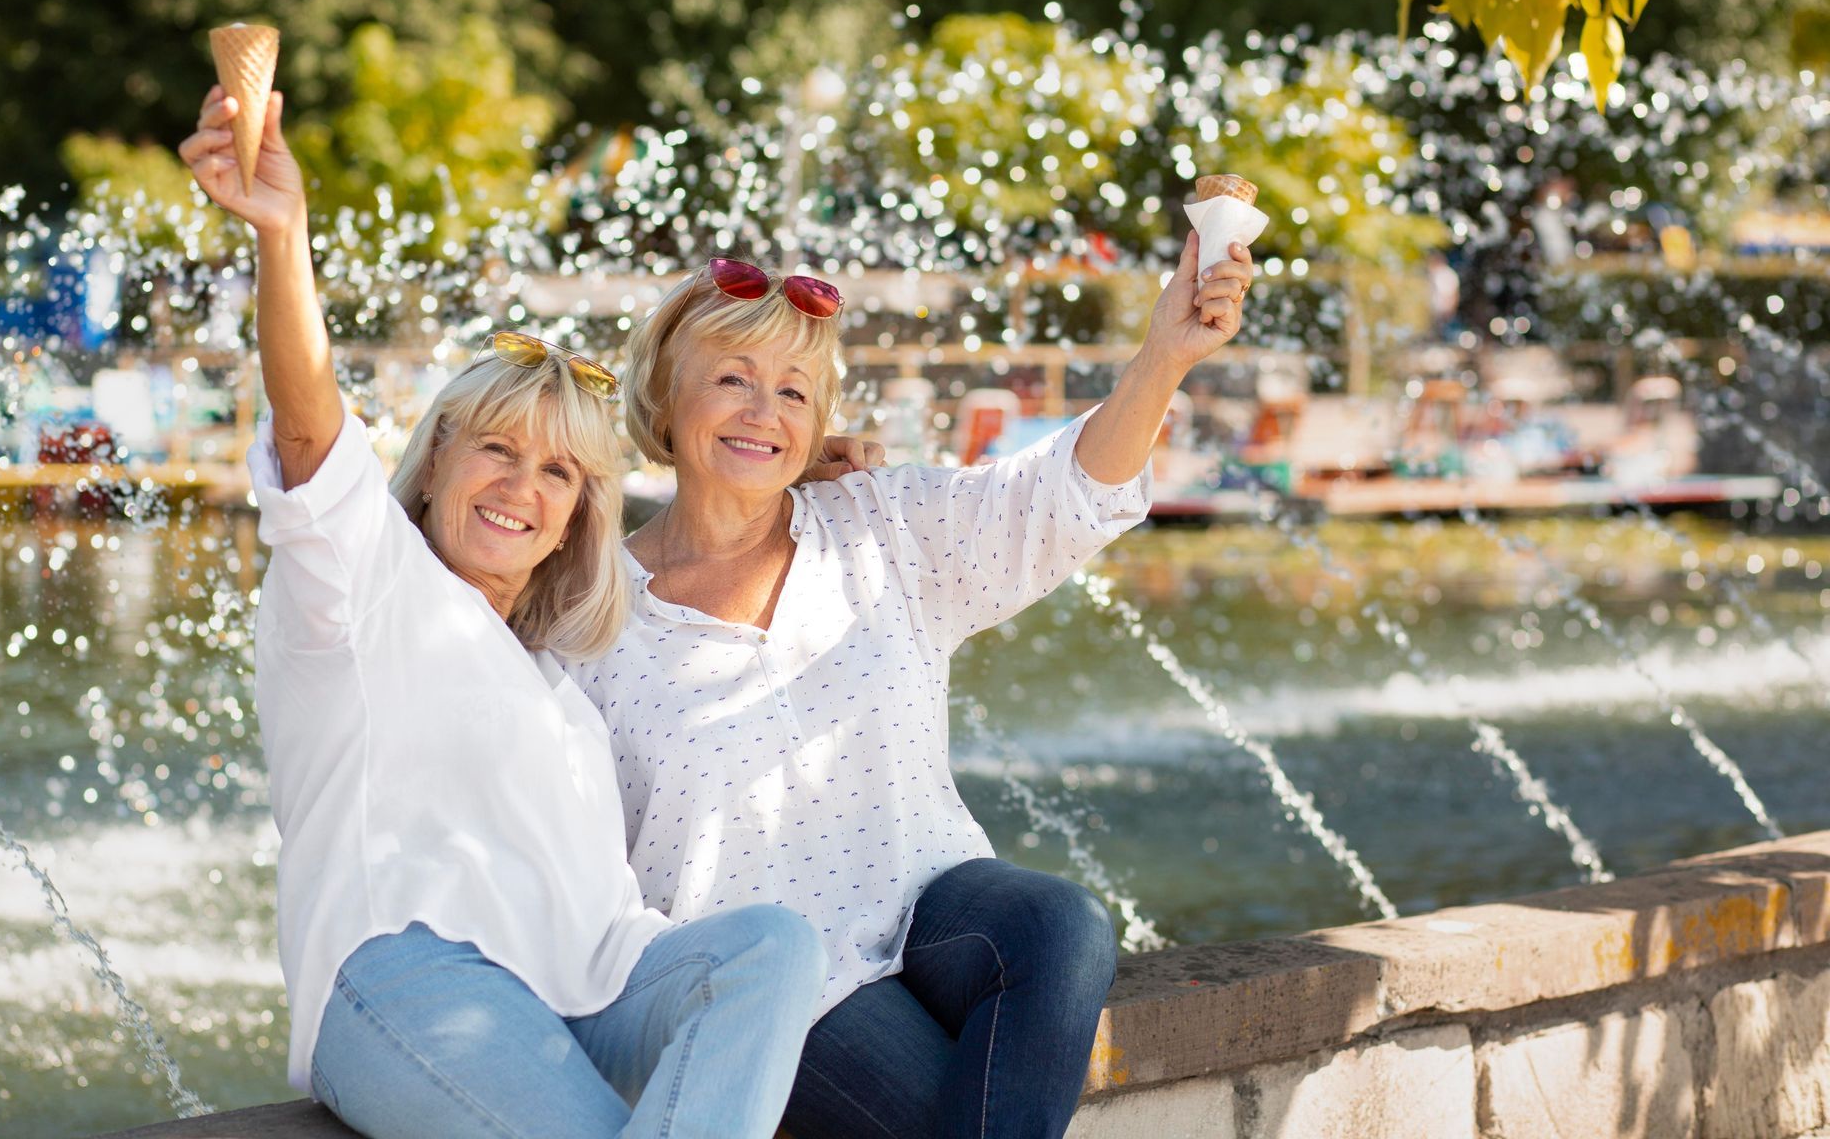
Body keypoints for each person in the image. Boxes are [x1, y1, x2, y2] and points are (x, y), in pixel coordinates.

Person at [179, 85, 827, 1139]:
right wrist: (282, 239)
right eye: (497, 447)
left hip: (589, 989)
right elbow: (308, 429)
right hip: (403, 978)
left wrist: (809, 478)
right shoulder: (360, 586)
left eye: (560, 470)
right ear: (436, 457)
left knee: (775, 946)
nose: (522, 485)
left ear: (579, 513)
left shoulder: (557, 677)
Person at [563, 240, 1253, 1137]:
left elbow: (1063, 495)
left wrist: (1165, 353)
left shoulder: (881, 524)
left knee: (1062, 924)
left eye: (794, 392)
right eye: (732, 379)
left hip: (930, 907)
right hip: (772, 977)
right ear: (664, 393)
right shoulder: (591, 617)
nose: (762, 412)